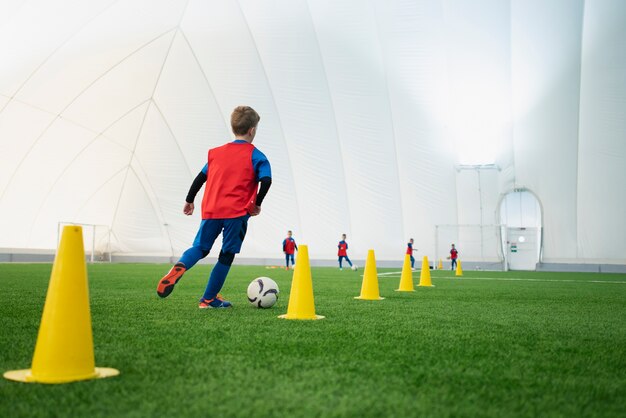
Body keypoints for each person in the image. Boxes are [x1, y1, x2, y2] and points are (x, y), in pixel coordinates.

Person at [156, 106, 272, 308]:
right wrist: (257, 204)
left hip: (211, 210)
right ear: (252, 130)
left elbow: (200, 178)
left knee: (200, 248)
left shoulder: (216, 153)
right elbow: (266, 180)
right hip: (236, 213)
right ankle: (208, 299)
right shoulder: (257, 156)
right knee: (226, 255)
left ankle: (180, 267)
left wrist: (189, 199)